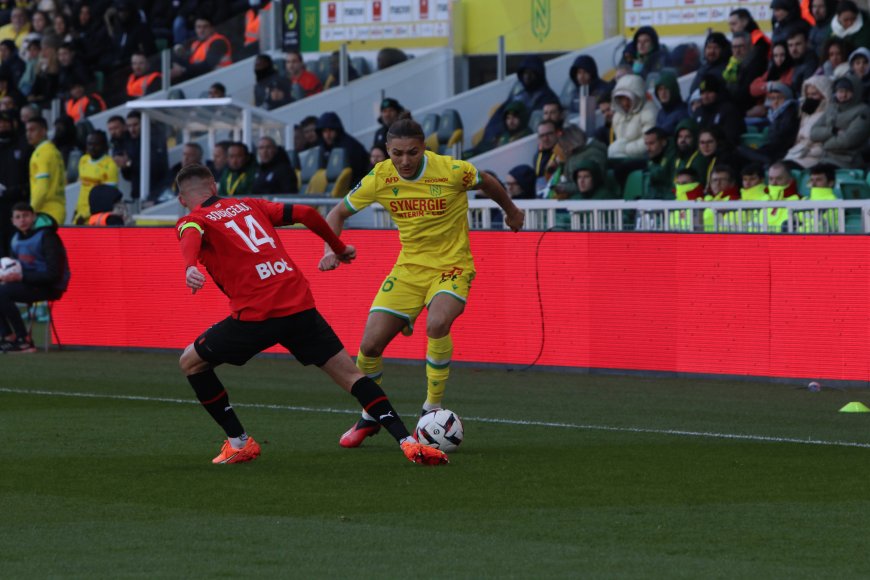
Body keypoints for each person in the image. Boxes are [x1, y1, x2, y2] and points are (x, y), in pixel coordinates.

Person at [173, 163, 447, 466]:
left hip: (256, 315)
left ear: (182, 199)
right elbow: (306, 213)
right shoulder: (250, 204)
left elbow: (191, 234)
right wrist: (338, 247)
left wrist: (189, 267)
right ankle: (408, 442)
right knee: (353, 376)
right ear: (213, 185)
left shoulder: (192, 218)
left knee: (191, 362)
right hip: (298, 303)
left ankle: (239, 441)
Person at [320, 114, 524, 448]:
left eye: (412, 152)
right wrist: (332, 248)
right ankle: (371, 415)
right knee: (369, 345)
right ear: (386, 150)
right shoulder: (380, 177)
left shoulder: (452, 170)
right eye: (396, 153)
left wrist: (511, 211)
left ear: (423, 148)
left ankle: (432, 408)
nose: (404, 160)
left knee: (438, 322)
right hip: (409, 269)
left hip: (452, 265)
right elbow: (337, 214)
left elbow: (487, 181)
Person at [0, 201, 69, 353]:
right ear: (12, 221)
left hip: (49, 286)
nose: (22, 220)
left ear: (33, 217)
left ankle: (24, 341)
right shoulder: (16, 239)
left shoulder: (48, 237)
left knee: (2, 293)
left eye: (26, 216)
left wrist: (20, 278)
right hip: (27, 283)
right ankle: (7, 337)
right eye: (18, 217)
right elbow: (14, 266)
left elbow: (54, 274)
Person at [810, 73, 870, 167]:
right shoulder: (832, 108)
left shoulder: (863, 111)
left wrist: (824, 144)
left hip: (848, 161)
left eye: (847, 91)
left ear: (856, 92)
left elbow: (848, 140)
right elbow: (813, 132)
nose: (843, 95)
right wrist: (832, 131)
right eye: (840, 91)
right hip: (825, 157)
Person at [785, 75, 832, 167]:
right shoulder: (805, 114)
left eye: (814, 94)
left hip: (815, 158)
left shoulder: (830, 114)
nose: (810, 98)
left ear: (824, 94)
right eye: (808, 95)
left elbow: (825, 144)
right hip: (797, 154)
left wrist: (809, 152)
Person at [607, 73, 656, 159]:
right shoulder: (618, 116)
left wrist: (624, 149)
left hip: (643, 159)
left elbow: (648, 142)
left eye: (628, 98)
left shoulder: (649, 112)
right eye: (621, 99)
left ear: (637, 96)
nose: (625, 103)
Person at [26, 116, 65, 225]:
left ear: (43, 131)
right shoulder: (54, 151)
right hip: (58, 209)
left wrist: (30, 210)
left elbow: (42, 187)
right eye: (27, 130)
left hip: (45, 212)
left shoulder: (41, 154)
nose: (28, 134)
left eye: (32, 130)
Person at [73, 130, 118, 225]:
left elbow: (107, 199)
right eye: (89, 144)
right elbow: (83, 189)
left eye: (96, 144)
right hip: (79, 213)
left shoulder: (110, 166)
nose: (92, 148)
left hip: (97, 216)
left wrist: (86, 215)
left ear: (104, 146)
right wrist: (76, 210)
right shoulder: (83, 160)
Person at [171, 16, 231, 82]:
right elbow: (189, 61)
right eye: (198, 27)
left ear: (212, 28)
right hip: (205, 79)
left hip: (222, 78)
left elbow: (207, 66)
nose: (201, 30)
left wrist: (183, 69)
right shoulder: (196, 44)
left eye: (205, 27)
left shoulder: (218, 42)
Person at [316, 111, 369, 186]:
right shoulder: (325, 148)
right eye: (324, 131)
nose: (327, 135)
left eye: (330, 130)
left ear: (337, 130)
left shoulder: (351, 147)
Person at [0, 110, 27, 254]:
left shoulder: (23, 145)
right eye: (0, 123)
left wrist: (13, 191)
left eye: (5, 122)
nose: (2, 126)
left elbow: (30, 178)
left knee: (17, 245)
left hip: (18, 205)